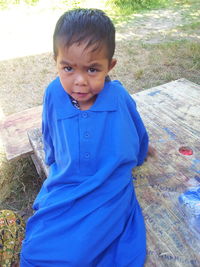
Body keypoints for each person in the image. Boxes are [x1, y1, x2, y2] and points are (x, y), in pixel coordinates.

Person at [20, 8, 152, 266]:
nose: (79, 81)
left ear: (109, 66)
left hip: (108, 187)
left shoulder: (118, 97)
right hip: (66, 184)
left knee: (92, 250)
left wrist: (142, 151)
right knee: (36, 251)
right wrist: (54, 161)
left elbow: (137, 130)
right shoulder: (53, 94)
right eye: (68, 68)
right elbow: (49, 131)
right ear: (56, 61)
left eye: (92, 70)